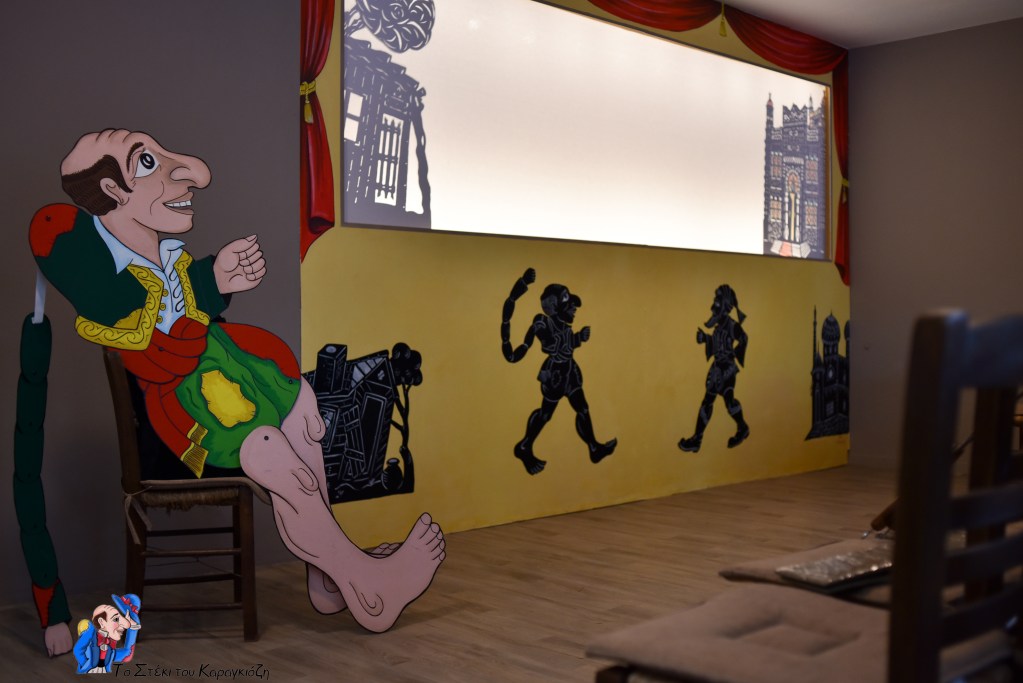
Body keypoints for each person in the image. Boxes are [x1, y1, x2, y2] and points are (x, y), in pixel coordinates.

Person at [31, 129, 445, 633]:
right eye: (146, 162)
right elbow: (154, 335)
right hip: (175, 431)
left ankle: (328, 581)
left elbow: (200, 327)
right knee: (275, 452)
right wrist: (210, 284)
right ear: (113, 190)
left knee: (301, 426)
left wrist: (216, 279)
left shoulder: (170, 265)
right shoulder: (112, 286)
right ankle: (370, 585)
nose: (192, 175)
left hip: (225, 390)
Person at [501, 267, 617, 475]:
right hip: (555, 375)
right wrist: (575, 339)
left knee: (582, 408)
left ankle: (593, 447)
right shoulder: (543, 323)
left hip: (570, 372)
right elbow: (551, 346)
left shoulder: (563, 325)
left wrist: (578, 338)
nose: (574, 309)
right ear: (555, 307)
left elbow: (566, 347)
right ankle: (524, 446)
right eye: (569, 305)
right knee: (545, 414)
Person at [678, 285, 750, 453]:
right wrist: (705, 339)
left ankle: (742, 427)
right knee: (708, 402)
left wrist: (733, 353)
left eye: (717, 301)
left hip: (727, 369)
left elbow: (744, 338)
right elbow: (718, 343)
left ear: (724, 305)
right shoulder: (718, 327)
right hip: (717, 368)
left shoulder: (731, 325)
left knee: (728, 401)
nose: (713, 305)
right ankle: (697, 439)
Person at [72, 595, 140, 674]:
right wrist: (86, 665)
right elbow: (78, 650)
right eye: (116, 619)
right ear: (101, 622)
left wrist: (132, 628)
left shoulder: (110, 648)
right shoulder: (90, 635)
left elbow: (127, 655)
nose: (124, 625)